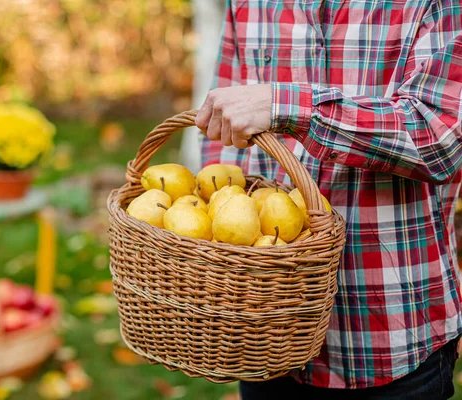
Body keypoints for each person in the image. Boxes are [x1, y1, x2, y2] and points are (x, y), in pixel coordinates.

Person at [195, 1, 462, 399]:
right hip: (265, 330)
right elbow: (225, 140)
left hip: (392, 332)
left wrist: (288, 106)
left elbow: (440, 138)